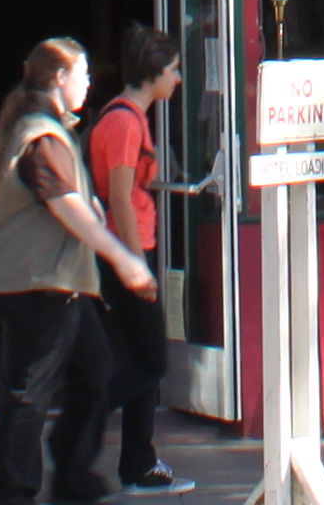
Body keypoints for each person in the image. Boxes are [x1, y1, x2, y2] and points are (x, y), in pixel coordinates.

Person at [0, 34, 149, 505]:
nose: (90, 83)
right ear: (59, 77)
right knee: (29, 394)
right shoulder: (41, 136)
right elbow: (66, 207)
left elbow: (76, 204)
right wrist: (123, 258)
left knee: (93, 375)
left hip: (59, 284)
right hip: (39, 286)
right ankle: (8, 493)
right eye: (84, 73)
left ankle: (72, 479)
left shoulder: (47, 130)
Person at [82, 25, 191, 494]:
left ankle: (138, 464)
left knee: (145, 359)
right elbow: (120, 199)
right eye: (173, 70)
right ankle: (82, 424)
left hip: (129, 249)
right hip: (128, 249)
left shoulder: (127, 116)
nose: (179, 79)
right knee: (151, 361)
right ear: (152, 73)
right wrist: (135, 263)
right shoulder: (126, 122)